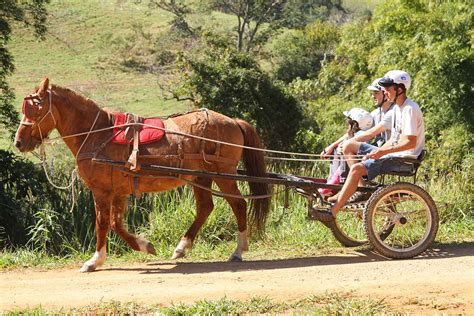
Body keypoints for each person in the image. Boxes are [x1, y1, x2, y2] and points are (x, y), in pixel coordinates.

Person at [315, 70, 425, 222]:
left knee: (356, 169)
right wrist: (376, 150)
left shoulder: (409, 109)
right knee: (349, 146)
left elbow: (409, 142)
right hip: (393, 154)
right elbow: (386, 137)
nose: (384, 91)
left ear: (399, 89)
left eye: (387, 88)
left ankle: (332, 212)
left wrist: (380, 152)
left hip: (403, 158)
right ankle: (361, 186)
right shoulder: (398, 109)